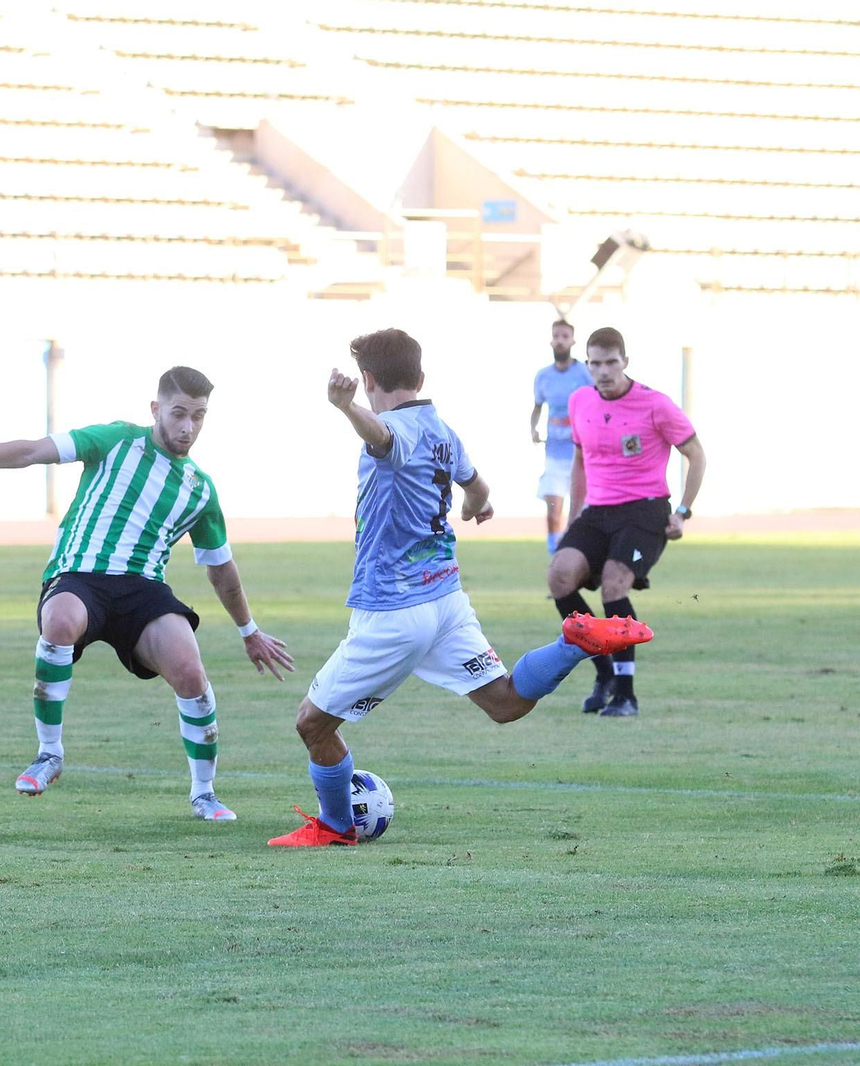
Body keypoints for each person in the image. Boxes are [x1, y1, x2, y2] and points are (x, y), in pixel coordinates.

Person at [267, 329, 652, 847]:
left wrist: (345, 407)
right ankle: (571, 644)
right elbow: (478, 486)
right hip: (446, 603)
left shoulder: (392, 429)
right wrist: (476, 505)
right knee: (506, 701)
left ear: (370, 380)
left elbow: (380, 439)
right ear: (421, 378)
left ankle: (336, 826)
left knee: (313, 725)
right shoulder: (443, 429)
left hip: (394, 613)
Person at [0, 366, 294, 821]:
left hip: (142, 589)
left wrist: (249, 631)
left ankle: (204, 793)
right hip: (79, 575)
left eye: (199, 416)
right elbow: (31, 451)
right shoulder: (114, 440)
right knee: (60, 621)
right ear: (156, 409)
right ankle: (49, 755)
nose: (188, 426)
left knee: (190, 670)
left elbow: (221, 569)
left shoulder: (200, 490)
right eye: (178, 413)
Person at [547, 327, 706, 718]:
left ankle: (626, 693)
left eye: (611, 362)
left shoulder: (655, 404)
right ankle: (602, 672)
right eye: (596, 363)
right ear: (587, 364)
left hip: (645, 509)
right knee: (560, 577)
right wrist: (574, 518)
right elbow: (580, 464)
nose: (603, 370)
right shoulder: (580, 400)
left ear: (625, 362)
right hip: (598, 511)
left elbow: (697, 455)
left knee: (614, 586)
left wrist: (683, 511)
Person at [530, 320, 592, 554]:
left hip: (581, 456)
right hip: (554, 455)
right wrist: (533, 428)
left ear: (573, 341)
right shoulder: (543, 376)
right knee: (553, 511)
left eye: (565, 336)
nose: (560, 340)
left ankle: (577, 557)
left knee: (579, 514)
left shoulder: (584, 373)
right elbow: (537, 406)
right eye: (556, 335)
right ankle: (555, 556)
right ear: (551, 339)